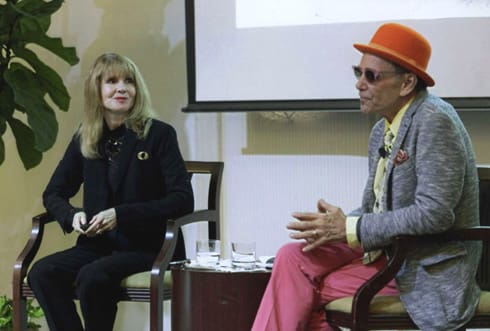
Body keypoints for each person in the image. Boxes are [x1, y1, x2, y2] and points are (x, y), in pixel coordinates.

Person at [251, 22, 481, 331]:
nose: (360, 84)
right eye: (357, 73)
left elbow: (435, 214)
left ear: (407, 83)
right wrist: (334, 226)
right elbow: (377, 210)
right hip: (387, 251)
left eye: (372, 76)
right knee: (293, 257)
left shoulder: (434, 121)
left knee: (304, 291)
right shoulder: (380, 131)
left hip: (422, 265)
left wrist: (350, 226)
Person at [27, 53, 194, 331]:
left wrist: (121, 215)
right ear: (97, 90)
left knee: (92, 276)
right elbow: (54, 193)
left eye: (129, 81)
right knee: (43, 273)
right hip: (98, 245)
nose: (122, 88)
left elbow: (182, 200)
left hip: (150, 246)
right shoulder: (86, 136)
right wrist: (72, 216)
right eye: (112, 81)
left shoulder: (159, 134)